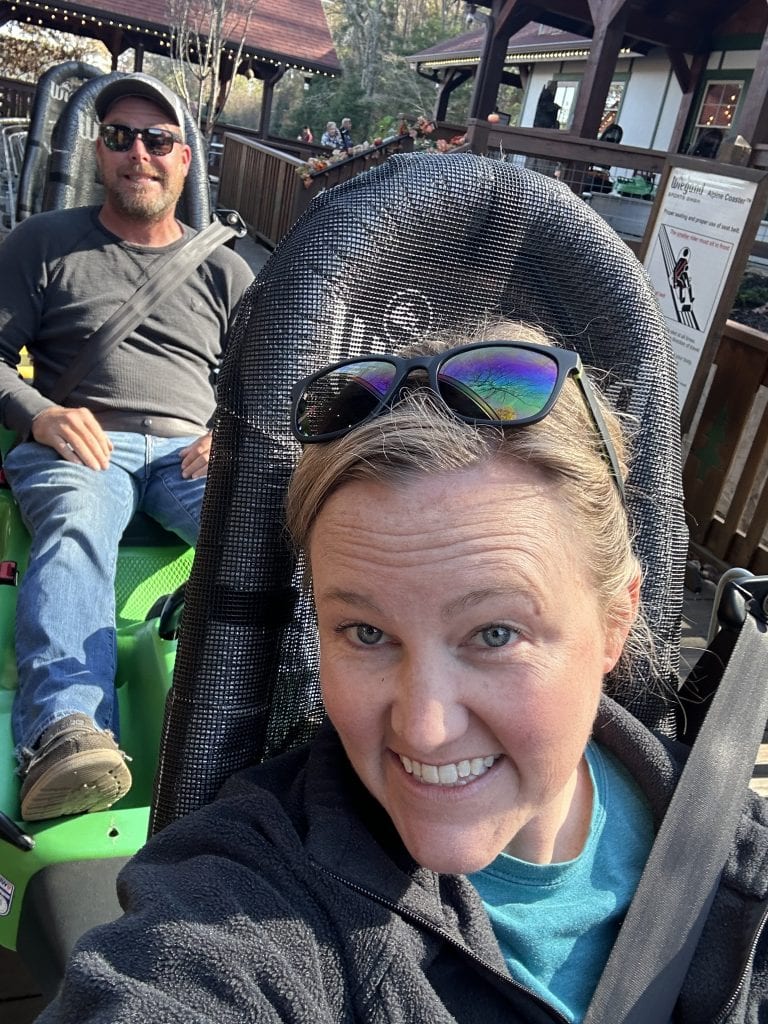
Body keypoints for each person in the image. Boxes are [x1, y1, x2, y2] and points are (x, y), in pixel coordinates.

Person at [36, 321, 768, 1022]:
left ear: (615, 621)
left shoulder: (743, 868)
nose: (424, 728)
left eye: (494, 633)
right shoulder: (246, 894)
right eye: (366, 633)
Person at [0, 71, 253, 822]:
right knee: (78, 516)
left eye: (157, 140)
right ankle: (64, 731)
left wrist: (229, 436)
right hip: (82, 442)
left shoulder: (226, 269)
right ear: (100, 151)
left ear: (184, 160)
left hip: (189, 453)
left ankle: (283, 717)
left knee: (269, 531)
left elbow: (266, 388)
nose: (138, 152)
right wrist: (39, 413)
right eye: (120, 137)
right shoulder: (43, 243)